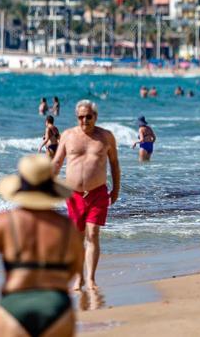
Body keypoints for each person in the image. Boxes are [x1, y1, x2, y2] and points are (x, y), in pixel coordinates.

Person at [0, 155, 83, 337]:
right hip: (56, 305)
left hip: (14, 305)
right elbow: (76, 267)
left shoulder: (4, 222)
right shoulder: (66, 226)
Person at [51, 100, 120, 289]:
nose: (84, 121)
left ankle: (90, 279)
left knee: (93, 233)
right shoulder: (68, 136)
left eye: (88, 117)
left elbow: (114, 164)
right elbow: (57, 162)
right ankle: (79, 277)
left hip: (98, 192)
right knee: (77, 238)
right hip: (73, 195)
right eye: (80, 117)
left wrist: (116, 189)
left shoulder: (106, 137)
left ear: (95, 117)